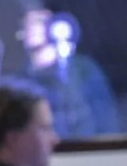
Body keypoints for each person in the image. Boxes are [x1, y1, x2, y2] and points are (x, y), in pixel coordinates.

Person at [19, 8, 120, 138]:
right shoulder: (18, 84)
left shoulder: (83, 69)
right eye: (27, 23)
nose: (33, 28)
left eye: (41, 21)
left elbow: (107, 118)